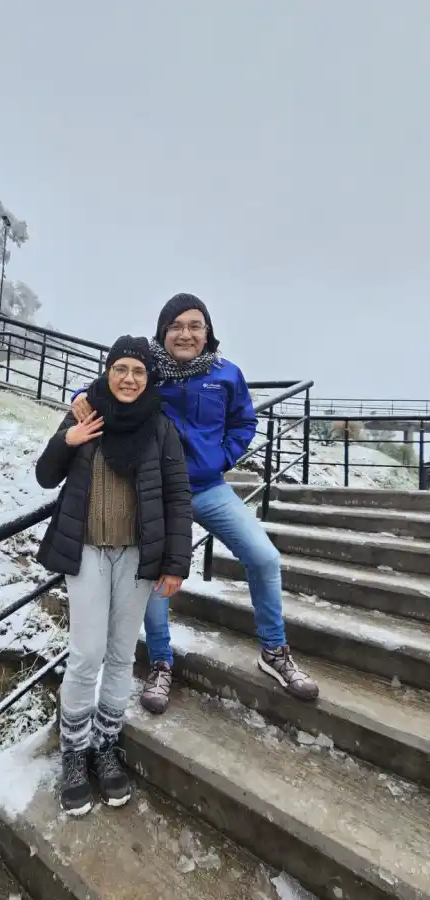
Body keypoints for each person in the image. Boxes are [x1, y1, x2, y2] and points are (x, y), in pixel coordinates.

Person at [72, 294, 319, 715]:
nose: (185, 333)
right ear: (163, 332)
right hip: (156, 492)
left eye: (195, 325)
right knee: (154, 576)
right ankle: (161, 661)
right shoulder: (148, 370)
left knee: (264, 558)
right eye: (176, 326)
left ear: (207, 332)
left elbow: (244, 421)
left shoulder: (227, 374)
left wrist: (223, 457)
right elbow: (112, 387)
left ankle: (274, 651)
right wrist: (80, 394)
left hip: (208, 488)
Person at [35, 335, 192, 816]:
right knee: (87, 654)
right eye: (121, 368)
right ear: (107, 371)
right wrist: (68, 440)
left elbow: (177, 496)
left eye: (138, 371)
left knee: (123, 654)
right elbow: (45, 475)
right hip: (85, 554)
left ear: (149, 378)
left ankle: (106, 745)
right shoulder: (85, 415)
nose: (128, 378)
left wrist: (176, 564)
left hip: (136, 558)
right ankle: (75, 753)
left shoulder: (161, 427)